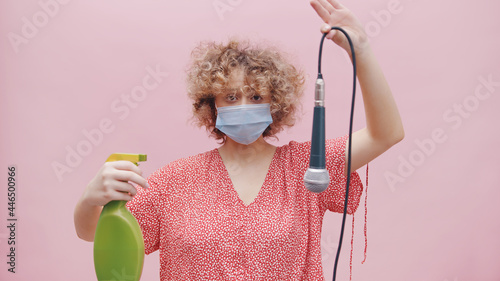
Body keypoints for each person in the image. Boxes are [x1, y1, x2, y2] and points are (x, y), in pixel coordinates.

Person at [74, 0, 404, 280]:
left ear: (276, 104)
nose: (244, 107)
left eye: (257, 96)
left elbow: (385, 134)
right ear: (210, 105)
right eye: (231, 97)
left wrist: (360, 50)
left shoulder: (307, 167)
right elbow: (93, 233)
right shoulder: (174, 181)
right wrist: (91, 199)